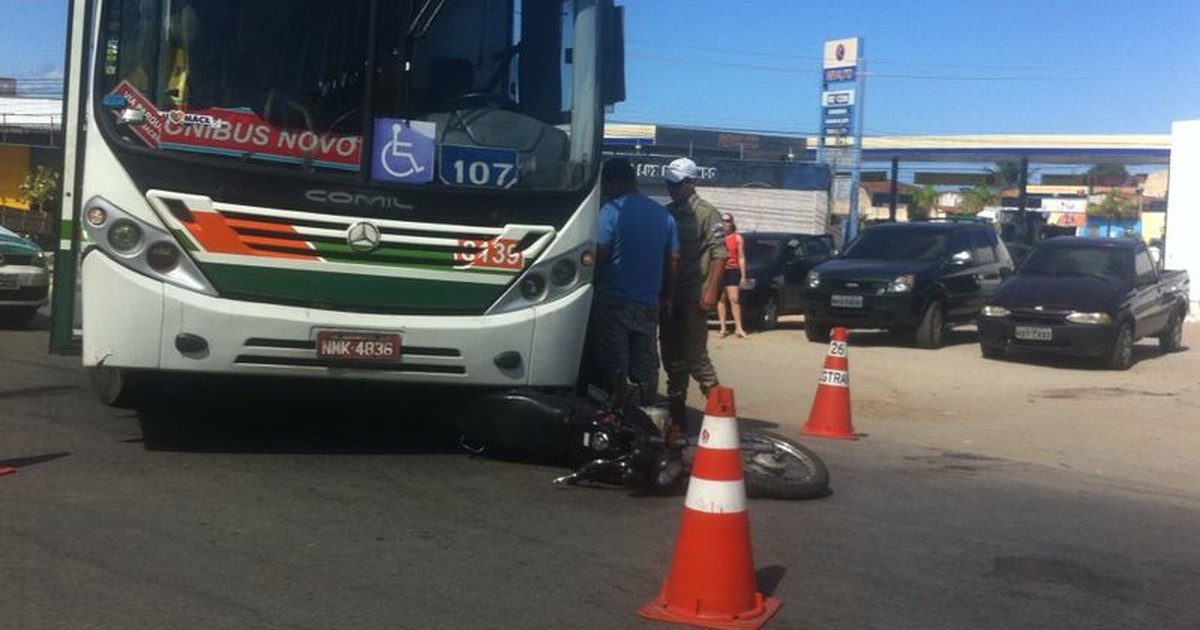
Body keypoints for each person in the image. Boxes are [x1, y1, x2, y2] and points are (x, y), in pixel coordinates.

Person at [590, 158, 680, 403]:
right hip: (649, 303)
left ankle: (616, 414)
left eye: (606, 183)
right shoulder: (663, 215)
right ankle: (647, 413)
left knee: (614, 365)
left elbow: (601, 255)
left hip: (612, 301)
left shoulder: (611, 211)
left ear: (615, 181)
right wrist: (668, 297)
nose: (605, 190)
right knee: (647, 365)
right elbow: (673, 260)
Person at [659, 157, 728, 429]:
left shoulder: (707, 214)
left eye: (676, 184)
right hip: (669, 297)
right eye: (668, 183)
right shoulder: (667, 213)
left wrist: (711, 292)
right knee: (672, 358)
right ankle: (677, 415)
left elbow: (720, 254)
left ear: (691, 183)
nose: (671, 189)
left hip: (693, 297)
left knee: (696, 358)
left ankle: (721, 411)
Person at [716, 213, 749, 338]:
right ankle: (723, 328)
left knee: (734, 299)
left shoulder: (737, 238)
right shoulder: (718, 238)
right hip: (720, 269)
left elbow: (741, 257)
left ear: (732, 222)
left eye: (728, 221)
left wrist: (743, 275)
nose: (726, 224)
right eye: (723, 221)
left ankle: (738, 328)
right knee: (721, 299)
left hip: (733, 269)